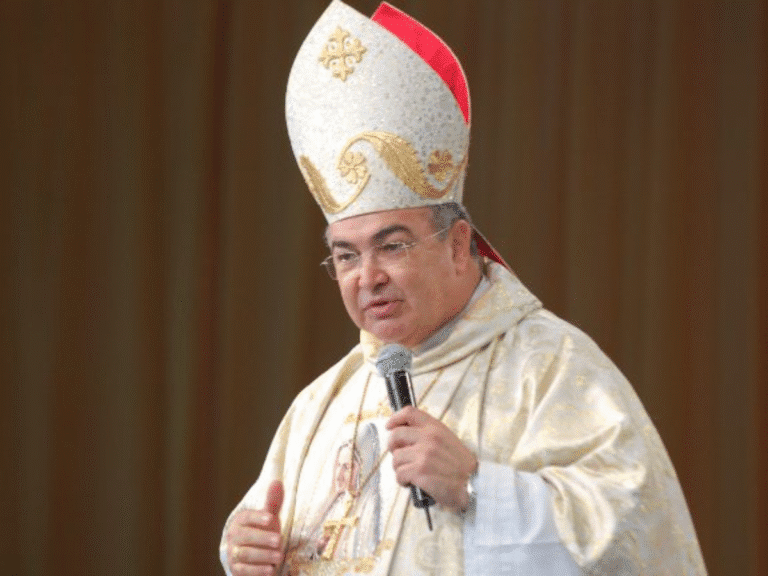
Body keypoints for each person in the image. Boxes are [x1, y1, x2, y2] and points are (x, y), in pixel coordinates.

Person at [220, 1, 707, 575]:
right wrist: (245, 553)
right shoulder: (320, 406)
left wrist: (478, 489)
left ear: (458, 245)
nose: (367, 277)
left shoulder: (550, 369)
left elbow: (634, 537)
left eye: (392, 245)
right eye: (346, 255)